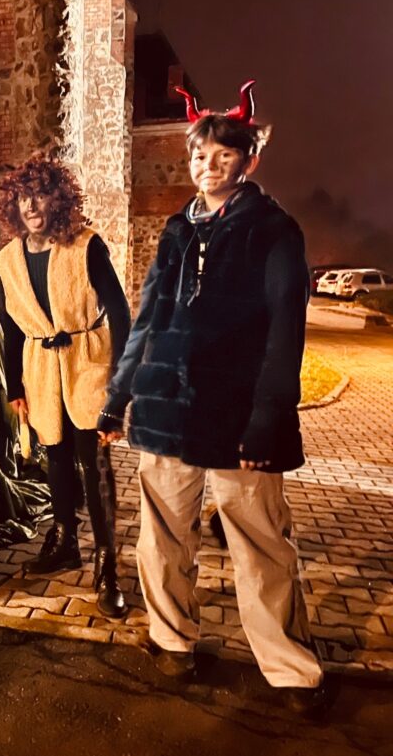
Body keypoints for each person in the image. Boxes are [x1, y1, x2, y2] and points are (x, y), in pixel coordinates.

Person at [97, 81, 326, 713]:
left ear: (249, 158)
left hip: (237, 413)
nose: (209, 166)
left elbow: (286, 328)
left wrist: (268, 417)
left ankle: (290, 669)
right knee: (163, 537)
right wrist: (118, 397)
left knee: (261, 544)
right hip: (166, 409)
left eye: (224, 155)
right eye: (200, 155)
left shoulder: (273, 230)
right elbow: (148, 318)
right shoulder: (177, 229)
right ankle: (172, 640)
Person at [0, 153, 131, 618]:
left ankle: (108, 563)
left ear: (58, 200)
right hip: (40, 367)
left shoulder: (85, 246)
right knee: (54, 454)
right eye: (23, 198)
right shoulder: (9, 261)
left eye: (41, 195)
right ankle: (65, 539)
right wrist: (14, 384)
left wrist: (121, 385)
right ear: (13, 206)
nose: (32, 206)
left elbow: (121, 314)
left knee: (93, 462)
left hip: (87, 360)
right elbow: (13, 326)